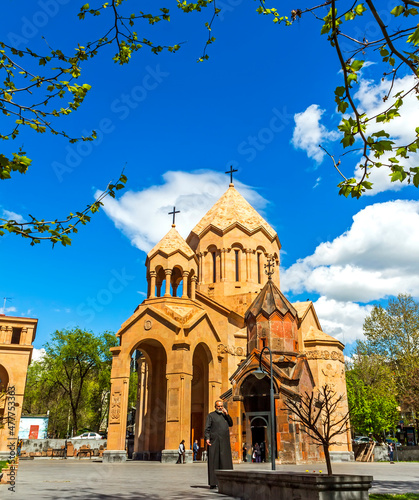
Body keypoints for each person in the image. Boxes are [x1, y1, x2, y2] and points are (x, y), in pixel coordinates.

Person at [205, 399, 233, 489]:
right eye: (218, 406)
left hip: (224, 441)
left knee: (225, 461)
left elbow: (231, 424)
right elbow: (207, 428)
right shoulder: (211, 415)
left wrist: (227, 414)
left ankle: (228, 481)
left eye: (221, 406)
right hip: (215, 441)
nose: (220, 408)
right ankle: (213, 483)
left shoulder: (225, 415)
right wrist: (207, 438)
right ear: (215, 407)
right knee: (214, 461)